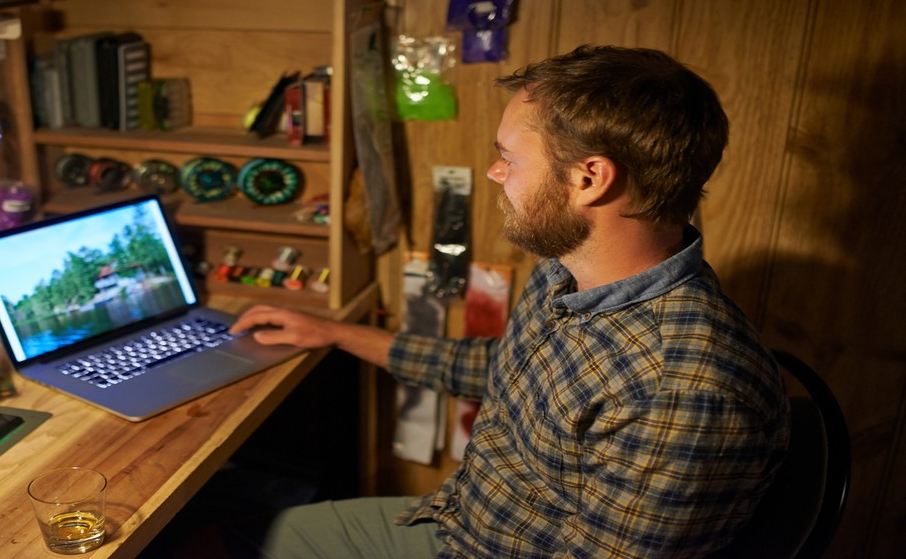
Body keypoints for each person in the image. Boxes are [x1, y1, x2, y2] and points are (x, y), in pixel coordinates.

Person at [230, 45, 791, 558]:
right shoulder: (566, 270)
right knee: (268, 536)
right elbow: (509, 371)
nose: (497, 174)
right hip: (460, 524)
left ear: (590, 178)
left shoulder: (685, 392)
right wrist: (337, 335)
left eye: (509, 157)